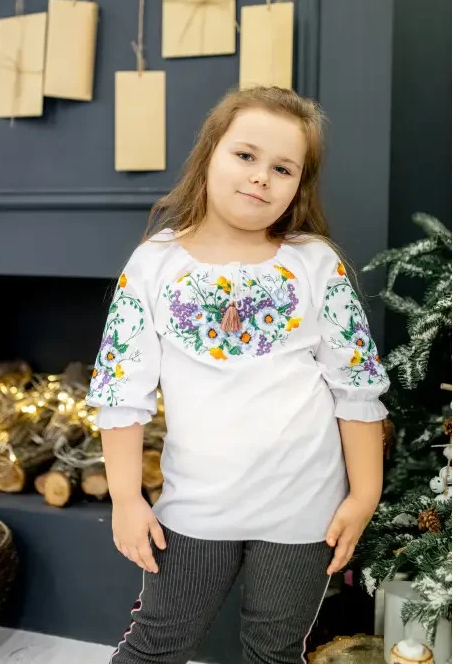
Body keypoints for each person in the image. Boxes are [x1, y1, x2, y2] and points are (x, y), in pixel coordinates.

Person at [86, 86, 390, 664]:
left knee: (275, 651)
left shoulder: (316, 262)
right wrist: (126, 498)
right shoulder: (155, 263)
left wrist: (364, 494)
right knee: (155, 645)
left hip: (306, 508)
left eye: (283, 168)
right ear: (210, 154)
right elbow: (121, 392)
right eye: (246, 155)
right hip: (196, 507)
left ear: (299, 185)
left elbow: (357, 388)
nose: (260, 177)